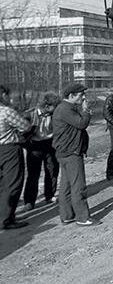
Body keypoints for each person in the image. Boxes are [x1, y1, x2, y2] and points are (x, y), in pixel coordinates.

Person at [52, 82, 99, 226]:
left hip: (65, 152)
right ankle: (83, 218)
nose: (83, 97)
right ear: (71, 96)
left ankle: (67, 216)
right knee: (78, 186)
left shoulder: (65, 108)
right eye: (81, 95)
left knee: (66, 186)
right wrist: (86, 111)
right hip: (71, 152)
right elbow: (81, 124)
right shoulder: (66, 109)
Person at [22, 92, 61, 212]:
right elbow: (21, 134)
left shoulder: (54, 114)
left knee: (52, 170)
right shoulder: (29, 114)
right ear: (47, 106)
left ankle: (49, 196)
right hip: (34, 146)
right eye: (55, 106)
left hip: (49, 144)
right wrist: (28, 146)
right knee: (33, 174)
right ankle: (29, 201)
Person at [0, 84, 32, 229]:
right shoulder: (6, 111)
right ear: (3, 96)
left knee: (1, 185)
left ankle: (3, 215)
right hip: (9, 149)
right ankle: (7, 219)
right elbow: (25, 127)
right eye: (8, 95)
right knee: (13, 183)